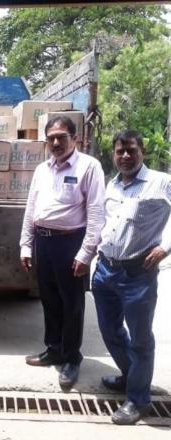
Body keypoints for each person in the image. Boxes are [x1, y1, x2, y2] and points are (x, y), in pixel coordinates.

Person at [19, 115, 105, 390]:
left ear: (74, 138)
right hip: (42, 243)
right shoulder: (42, 169)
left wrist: (85, 253)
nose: (56, 142)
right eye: (51, 138)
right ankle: (53, 349)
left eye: (62, 137)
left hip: (71, 243)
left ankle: (71, 358)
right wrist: (25, 244)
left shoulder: (89, 167)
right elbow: (31, 209)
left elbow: (96, 214)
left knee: (73, 304)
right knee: (49, 300)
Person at [92, 129, 171, 425]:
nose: (125, 156)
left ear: (142, 152)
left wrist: (166, 246)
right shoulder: (111, 185)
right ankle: (130, 376)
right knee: (110, 330)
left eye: (131, 150)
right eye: (120, 151)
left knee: (140, 339)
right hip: (105, 270)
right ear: (113, 154)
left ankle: (139, 400)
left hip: (138, 273)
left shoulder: (160, 182)